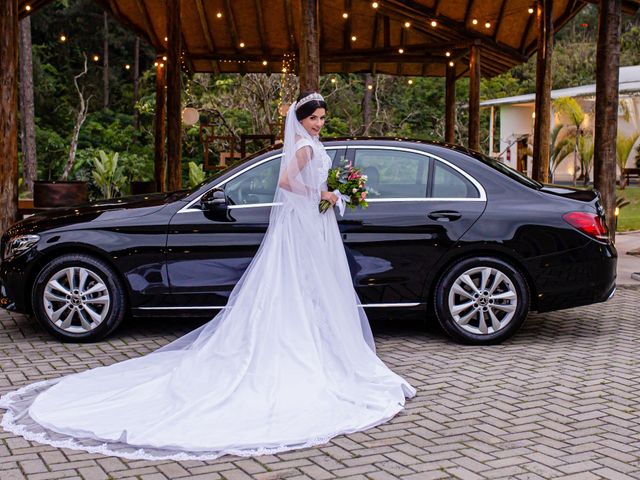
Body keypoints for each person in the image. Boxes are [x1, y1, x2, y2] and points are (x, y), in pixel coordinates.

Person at [0, 91, 416, 461]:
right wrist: (325, 194)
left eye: (323, 118)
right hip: (306, 222)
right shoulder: (304, 148)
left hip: (310, 225)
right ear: (301, 121)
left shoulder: (309, 145)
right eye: (314, 119)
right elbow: (288, 182)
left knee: (301, 286)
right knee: (300, 284)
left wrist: (328, 192)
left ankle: (309, 341)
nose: (319, 124)